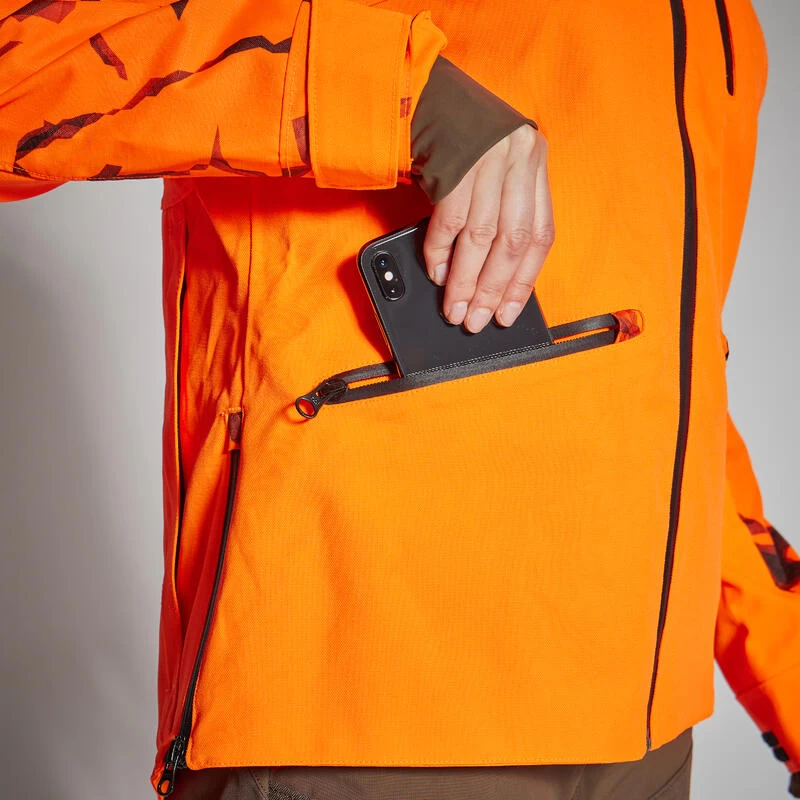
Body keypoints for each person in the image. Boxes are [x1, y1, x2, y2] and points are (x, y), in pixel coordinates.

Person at [1, 1, 798, 798]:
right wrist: (404, 94)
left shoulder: (722, 23)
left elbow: (677, 386)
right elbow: (20, 75)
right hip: (356, 718)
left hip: (648, 741)